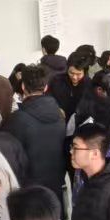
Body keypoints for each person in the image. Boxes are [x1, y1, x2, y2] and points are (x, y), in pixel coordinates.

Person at [7, 63, 69, 192]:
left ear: (23, 86)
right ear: (45, 87)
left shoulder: (17, 119)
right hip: (57, 180)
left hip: (30, 187)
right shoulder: (59, 114)